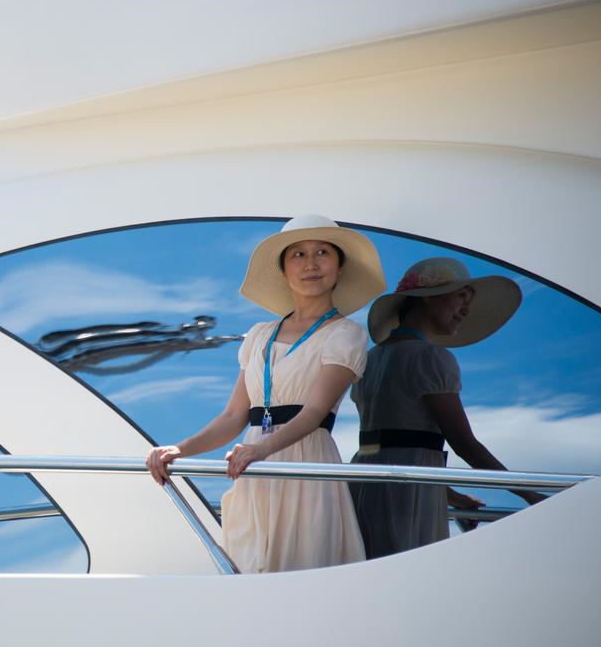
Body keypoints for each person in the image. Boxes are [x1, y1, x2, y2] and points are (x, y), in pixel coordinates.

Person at [146, 214, 385, 573]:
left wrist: (260, 449)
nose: (311, 264)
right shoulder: (259, 334)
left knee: (302, 575)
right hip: (254, 466)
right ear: (284, 270)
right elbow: (233, 417)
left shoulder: (345, 334)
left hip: (305, 465)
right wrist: (179, 449)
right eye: (298, 255)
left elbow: (315, 412)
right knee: (250, 572)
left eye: (322, 252)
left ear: (339, 267)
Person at [349, 257, 546, 559]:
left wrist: (451, 496)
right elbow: (464, 444)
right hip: (408, 491)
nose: (466, 309)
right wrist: (532, 496)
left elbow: (387, 443)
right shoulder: (431, 359)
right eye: (460, 297)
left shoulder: (369, 360)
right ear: (427, 299)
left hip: (363, 480)